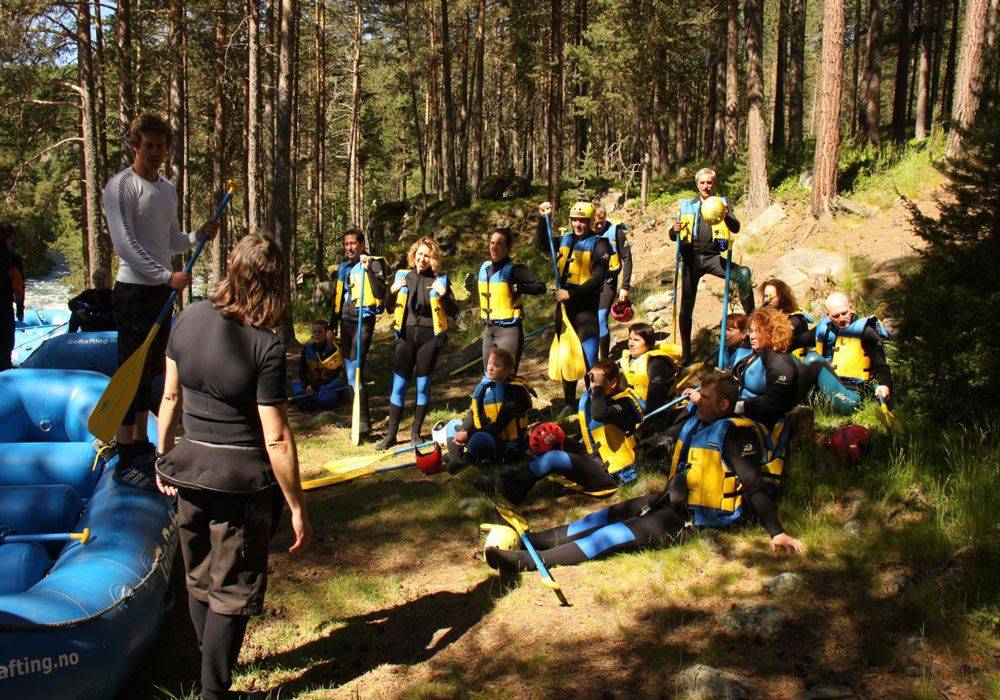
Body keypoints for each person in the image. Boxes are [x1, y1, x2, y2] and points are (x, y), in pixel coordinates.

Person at [154, 234, 311, 700]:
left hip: (189, 473)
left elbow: (169, 397)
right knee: (233, 590)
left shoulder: (185, 320)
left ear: (230, 267)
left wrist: (164, 461)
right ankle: (213, 693)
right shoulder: (266, 345)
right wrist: (297, 505)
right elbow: (277, 437)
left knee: (200, 576)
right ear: (274, 283)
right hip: (240, 489)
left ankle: (210, 683)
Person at [483, 370, 804, 572]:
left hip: (693, 519)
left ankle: (523, 563)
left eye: (704, 398)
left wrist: (776, 531)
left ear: (722, 406)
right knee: (608, 515)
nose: (697, 401)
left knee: (613, 535)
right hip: (673, 500)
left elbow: (753, 484)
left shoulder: (736, 433)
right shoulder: (704, 422)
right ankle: (533, 540)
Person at [103, 113, 220, 488]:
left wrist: (195, 235)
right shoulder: (120, 186)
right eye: (148, 145)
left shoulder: (167, 190)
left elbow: (168, 241)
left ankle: (139, 443)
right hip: (134, 290)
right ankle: (124, 453)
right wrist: (165, 276)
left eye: (160, 146)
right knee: (131, 370)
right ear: (135, 146)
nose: (154, 152)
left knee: (151, 369)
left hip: (161, 291)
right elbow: (125, 244)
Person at [475, 359, 643, 503]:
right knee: (554, 440)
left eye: (597, 381)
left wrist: (598, 389)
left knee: (554, 458)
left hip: (614, 474)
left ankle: (504, 482)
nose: (592, 385)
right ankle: (518, 490)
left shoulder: (624, 404)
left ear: (613, 383)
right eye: (591, 380)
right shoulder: (598, 398)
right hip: (598, 459)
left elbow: (600, 415)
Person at [379, 237, 458, 449]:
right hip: (405, 338)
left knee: (422, 387)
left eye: (427, 256)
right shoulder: (405, 277)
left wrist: (444, 295)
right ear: (414, 255)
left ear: (433, 259)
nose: (422, 259)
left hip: (429, 340)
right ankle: (391, 434)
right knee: (399, 386)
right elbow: (386, 307)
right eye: (419, 254)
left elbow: (453, 311)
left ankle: (415, 432)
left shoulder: (440, 280)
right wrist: (392, 290)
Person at [670, 168, 754, 363]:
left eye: (709, 183)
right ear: (697, 184)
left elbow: (736, 228)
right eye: (702, 183)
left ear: (713, 184)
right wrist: (673, 230)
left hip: (712, 257)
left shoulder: (721, 203)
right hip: (691, 259)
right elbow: (673, 235)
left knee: (743, 274)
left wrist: (726, 215)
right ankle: (686, 353)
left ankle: (753, 322)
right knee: (686, 306)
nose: (706, 186)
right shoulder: (687, 205)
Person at [535, 201, 612, 413]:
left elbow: (598, 278)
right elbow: (541, 244)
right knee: (567, 356)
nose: (578, 224)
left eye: (582, 221)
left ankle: (594, 402)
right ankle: (569, 402)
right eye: (575, 220)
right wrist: (543, 219)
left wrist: (571, 293)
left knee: (589, 359)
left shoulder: (601, 244)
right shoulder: (565, 240)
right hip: (564, 309)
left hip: (585, 309)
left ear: (590, 222)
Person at [328, 229, 390, 441]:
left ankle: (364, 425)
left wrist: (368, 270)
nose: (350, 248)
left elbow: (381, 291)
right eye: (346, 244)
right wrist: (331, 325)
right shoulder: (343, 267)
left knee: (355, 370)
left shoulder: (374, 263)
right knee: (350, 372)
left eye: (353, 243)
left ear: (362, 245)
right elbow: (337, 298)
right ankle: (357, 418)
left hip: (362, 321)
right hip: (345, 322)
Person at [799, 291, 892, 414]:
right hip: (825, 393)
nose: (842, 319)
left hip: (850, 397)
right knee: (791, 359)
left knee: (813, 359)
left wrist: (884, 385)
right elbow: (797, 341)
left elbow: (882, 366)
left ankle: (788, 403)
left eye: (845, 313)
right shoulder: (824, 329)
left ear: (850, 307)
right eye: (836, 316)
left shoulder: (866, 332)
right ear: (828, 315)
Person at [444, 347, 535, 472]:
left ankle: (480, 460)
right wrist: (463, 431)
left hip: (507, 444)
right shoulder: (486, 386)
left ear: (508, 369)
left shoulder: (516, 391)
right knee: (452, 424)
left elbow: (499, 425)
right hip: (486, 433)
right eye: (489, 363)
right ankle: (456, 459)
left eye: (497, 365)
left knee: (479, 438)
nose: (490, 368)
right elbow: (473, 412)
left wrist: (468, 434)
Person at [474, 228, 546, 373]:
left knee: (507, 377)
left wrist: (520, 288)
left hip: (509, 332)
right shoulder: (485, 268)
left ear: (508, 248)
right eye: (492, 242)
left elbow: (541, 286)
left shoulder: (515, 270)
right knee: (489, 376)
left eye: (499, 244)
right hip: (488, 330)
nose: (494, 247)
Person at [594, 203, 634, 360]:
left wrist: (625, 286)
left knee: (600, 318)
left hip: (608, 282)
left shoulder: (615, 230)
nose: (598, 226)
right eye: (595, 223)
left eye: (601, 222)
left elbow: (627, 258)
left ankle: (604, 359)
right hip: (589, 282)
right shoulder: (585, 231)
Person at [614, 322, 678, 415]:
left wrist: (644, 421)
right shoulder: (631, 360)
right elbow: (623, 387)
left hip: (658, 412)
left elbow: (655, 399)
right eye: (630, 339)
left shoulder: (657, 363)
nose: (631, 344)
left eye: (636, 340)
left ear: (648, 343)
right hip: (635, 404)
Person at [292, 320, 345, 407]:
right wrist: (307, 385)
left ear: (326, 333)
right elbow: (302, 371)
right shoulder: (307, 348)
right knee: (296, 384)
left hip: (327, 385)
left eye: (320, 332)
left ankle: (308, 399)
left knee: (338, 383)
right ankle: (309, 399)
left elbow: (334, 375)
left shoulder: (333, 350)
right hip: (311, 384)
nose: (317, 334)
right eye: (315, 332)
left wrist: (316, 387)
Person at [759, 278, 813, 354]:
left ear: (782, 297)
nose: (767, 300)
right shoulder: (763, 319)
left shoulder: (794, 320)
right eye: (765, 296)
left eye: (771, 296)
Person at [0, 221, 24, 371]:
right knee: (5, 339)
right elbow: (18, 285)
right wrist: (20, 307)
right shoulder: (12, 257)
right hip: (3, 305)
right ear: (9, 238)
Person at [67, 267, 116, 333]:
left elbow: (105, 307)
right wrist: (77, 311)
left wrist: (86, 310)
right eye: (95, 279)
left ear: (106, 280)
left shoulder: (112, 294)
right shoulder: (89, 293)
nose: (96, 281)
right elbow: (71, 302)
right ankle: (70, 337)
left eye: (99, 279)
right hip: (91, 321)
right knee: (75, 313)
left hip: (106, 324)